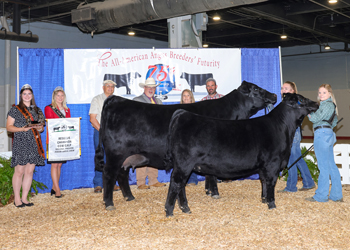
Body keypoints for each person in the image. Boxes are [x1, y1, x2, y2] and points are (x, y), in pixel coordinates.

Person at [6, 84, 45, 207]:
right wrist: (21, 129)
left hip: (34, 142)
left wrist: (40, 127)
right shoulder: (15, 110)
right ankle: (17, 199)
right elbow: (9, 127)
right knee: (19, 171)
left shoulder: (37, 110)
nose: (27, 96)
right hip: (20, 142)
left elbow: (41, 128)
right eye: (24, 94)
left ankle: (25, 198)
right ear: (21, 96)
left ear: (32, 95)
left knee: (29, 171)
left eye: (29, 94)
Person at [305, 84, 343, 202]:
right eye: (320, 92)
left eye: (324, 92)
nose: (321, 95)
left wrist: (307, 111)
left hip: (321, 134)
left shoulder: (326, 105)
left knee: (323, 166)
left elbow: (315, 118)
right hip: (328, 133)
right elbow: (334, 122)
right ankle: (336, 195)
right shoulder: (331, 106)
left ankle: (321, 196)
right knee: (331, 165)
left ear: (330, 94)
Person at [278, 81, 315, 193]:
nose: (284, 90)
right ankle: (308, 183)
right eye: (283, 88)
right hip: (289, 132)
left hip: (294, 132)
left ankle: (291, 186)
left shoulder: (295, 103)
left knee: (291, 158)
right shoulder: (286, 103)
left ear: (293, 91)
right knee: (297, 158)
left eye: (287, 88)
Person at [133, 77, 166, 189]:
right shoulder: (137, 100)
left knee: (154, 156)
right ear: (145, 88)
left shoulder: (159, 101)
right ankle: (141, 182)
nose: (151, 89)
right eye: (149, 87)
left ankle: (153, 180)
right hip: (142, 134)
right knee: (142, 156)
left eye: (153, 87)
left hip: (156, 134)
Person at [89, 80, 120, 193]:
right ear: (103, 87)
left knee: (113, 158)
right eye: (108, 86)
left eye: (112, 86)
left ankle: (112, 183)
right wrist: (103, 131)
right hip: (100, 131)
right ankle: (98, 184)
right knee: (100, 157)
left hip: (115, 133)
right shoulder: (97, 99)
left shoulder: (117, 100)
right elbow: (93, 119)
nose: (110, 88)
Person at [44, 86, 71, 198]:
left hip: (63, 140)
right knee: (54, 164)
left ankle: (54, 188)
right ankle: (58, 191)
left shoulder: (67, 109)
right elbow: (51, 122)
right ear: (54, 97)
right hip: (53, 139)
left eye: (62, 95)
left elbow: (69, 123)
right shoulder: (48, 108)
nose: (60, 98)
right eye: (58, 96)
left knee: (59, 164)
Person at [180, 89, 198, 186]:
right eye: (184, 96)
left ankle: (192, 180)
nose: (186, 97)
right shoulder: (179, 109)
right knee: (182, 160)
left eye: (188, 95)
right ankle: (182, 180)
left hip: (193, 137)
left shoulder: (196, 108)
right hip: (182, 138)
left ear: (191, 97)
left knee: (193, 159)